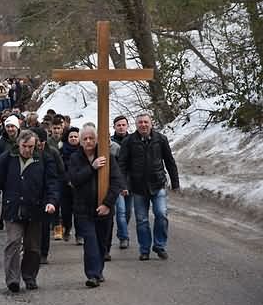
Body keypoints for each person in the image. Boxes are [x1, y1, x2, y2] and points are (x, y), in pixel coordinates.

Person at [0, 130, 59, 292]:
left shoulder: (43, 159)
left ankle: (29, 276)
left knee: (33, 246)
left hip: (35, 208)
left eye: (31, 146)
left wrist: (51, 201)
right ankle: (13, 279)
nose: (27, 149)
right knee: (13, 241)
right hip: (13, 207)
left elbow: (52, 183)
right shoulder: (7, 158)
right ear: (18, 144)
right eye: (24, 146)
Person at [118, 113, 180, 261]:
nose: (143, 125)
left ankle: (159, 245)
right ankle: (144, 249)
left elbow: (170, 162)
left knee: (161, 214)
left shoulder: (160, 139)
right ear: (136, 125)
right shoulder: (129, 141)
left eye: (146, 122)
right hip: (138, 187)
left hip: (158, 184)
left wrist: (175, 183)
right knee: (142, 220)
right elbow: (122, 165)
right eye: (140, 123)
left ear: (151, 124)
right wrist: (123, 184)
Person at [68, 125, 124, 288]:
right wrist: (91, 168)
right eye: (84, 139)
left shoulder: (107, 156)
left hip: (104, 208)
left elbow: (117, 182)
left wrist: (107, 204)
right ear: (80, 141)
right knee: (90, 241)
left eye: (91, 138)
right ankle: (92, 275)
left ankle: (98, 272)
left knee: (101, 242)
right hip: (83, 209)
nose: (88, 141)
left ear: (96, 139)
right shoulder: (75, 158)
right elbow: (74, 179)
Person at [30, 126, 67, 265]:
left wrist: (57, 189)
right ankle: (33, 250)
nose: (38, 145)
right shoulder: (28, 153)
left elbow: (61, 170)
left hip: (48, 192)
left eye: (40, 142)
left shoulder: (52, 153)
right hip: (32, 194)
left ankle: (43, 253)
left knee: (45, 225)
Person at [111, 115, 132, 250]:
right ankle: (124, 237)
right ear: (114, 127)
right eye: (118, 125)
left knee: (128, 212)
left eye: (123, 125)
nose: (121, 127)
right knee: (121, 211)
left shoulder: (133, 140)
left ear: (127, 126)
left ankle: (121, 231)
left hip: (131, 181)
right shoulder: (110, 143)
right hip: (117, 182)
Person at [60, 126, 81, 244]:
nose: (73, 138)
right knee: (66, 211)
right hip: (65, 185)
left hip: (79, 185)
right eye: (71, 137)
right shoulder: (62, 151)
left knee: (79, 212)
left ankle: (79, 235)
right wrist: (67, 180)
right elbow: (60, 168)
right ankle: (67, 228)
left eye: (75, 137)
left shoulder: (83, 150)